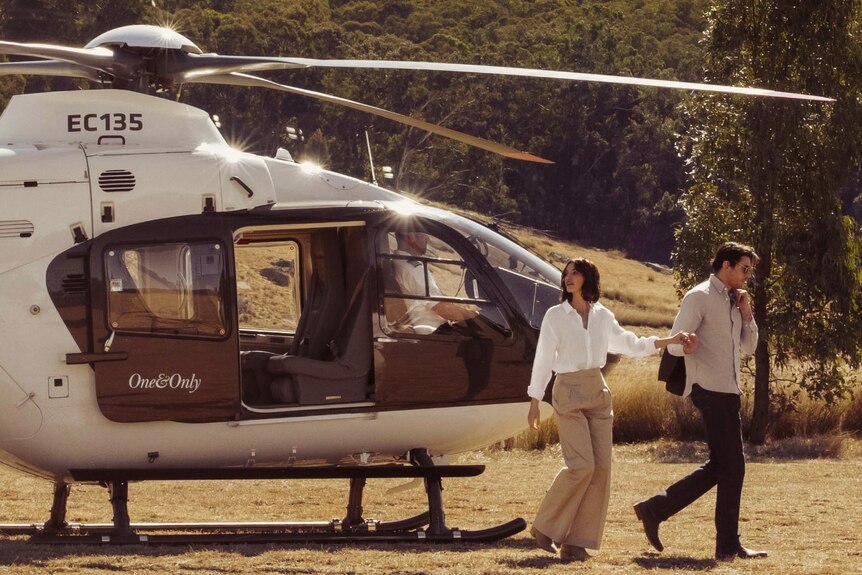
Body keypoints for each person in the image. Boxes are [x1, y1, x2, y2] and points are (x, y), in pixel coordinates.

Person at [527, 257, 688, 562]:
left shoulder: (603, 316)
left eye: (575, 272)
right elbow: (544, 357)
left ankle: (576, 543)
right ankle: (544, 528)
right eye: (566, 274)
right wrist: (535, 399)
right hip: (569, 391)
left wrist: (671, 340)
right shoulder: (555, 316)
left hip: (598, 392)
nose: (568, 277)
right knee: (581, 466)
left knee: (601, 470)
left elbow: (633, 344)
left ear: (589, 277)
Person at [632, 241, 768, 560]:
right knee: (733, 466)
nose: (748, 275)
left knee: (724, 466)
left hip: (729, 390)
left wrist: (747, 314)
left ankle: (656, 509)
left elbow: (749, 346)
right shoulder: (699, 296)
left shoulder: (736, 301)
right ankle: (726, 544)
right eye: (745, 269)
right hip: (708, 388)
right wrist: (686, 346)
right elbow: (676, 342)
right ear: (726, 266)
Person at [390, 231, 478, 334]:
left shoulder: (398, 261)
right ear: (412, 237)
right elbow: (443, 309)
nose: (428, 238)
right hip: (434, 332)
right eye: (423, 235)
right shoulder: (415, 270)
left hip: (426, 328)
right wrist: (475, 316)